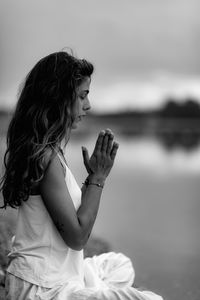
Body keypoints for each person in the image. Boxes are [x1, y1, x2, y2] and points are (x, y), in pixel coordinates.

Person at [0, 51, 163, 300]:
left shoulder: (45, 150)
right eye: (82, 96)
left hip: (57, 274)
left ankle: (95, 292)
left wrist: (90, 181)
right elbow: (77, 237)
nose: (88, 105)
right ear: (58, 98)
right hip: (44, 289)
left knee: (119, 264)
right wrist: (99, 178)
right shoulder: (46, 157)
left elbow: (67, 216)